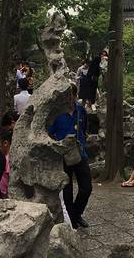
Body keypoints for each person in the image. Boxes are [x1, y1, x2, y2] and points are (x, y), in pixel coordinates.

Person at [49, 83, 92, 229]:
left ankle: (76, 214)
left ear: (75, 95)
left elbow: (84, 128)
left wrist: (81, 142)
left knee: (86, 188)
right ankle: (72, 220)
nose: (67, 98)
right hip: (63, 156)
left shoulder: (81, 110)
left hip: (80, 154)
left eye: (70, 95)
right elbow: (50, 133)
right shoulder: (56, 113)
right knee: (67, 191)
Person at [0, 128, 12, 198]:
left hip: (6, 195)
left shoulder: (8, 158)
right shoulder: (4, 157)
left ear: (5, 143)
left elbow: (10, 178)